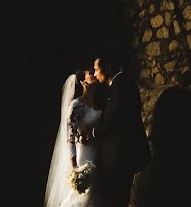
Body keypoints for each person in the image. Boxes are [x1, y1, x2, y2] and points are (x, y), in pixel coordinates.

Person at [92, 55, 150, 207]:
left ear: (109, 68)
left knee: (118, 199)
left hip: (122, 156)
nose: (95, 74)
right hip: (120, 156)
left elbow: (113, 119)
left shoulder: (121, 84)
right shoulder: (118, 84)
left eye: (97, 70)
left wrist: (93, 132)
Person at [46, 73, 104, 207]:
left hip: (98, 152)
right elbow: (70, 137)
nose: (94, 74)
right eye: (90, 74)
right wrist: (74, 167)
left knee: (95, 196)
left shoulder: (100, 102)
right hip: (84, 155)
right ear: (83, 81)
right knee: (81, 196)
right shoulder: (76, 105)